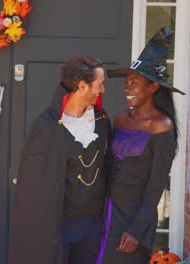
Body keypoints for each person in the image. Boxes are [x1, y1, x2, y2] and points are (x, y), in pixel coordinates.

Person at [8, 56, 112, 264]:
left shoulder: (101, 121)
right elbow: (35, 185)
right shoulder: (47, 126)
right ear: (83, 86)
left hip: (91, 226)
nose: (103, 90)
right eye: (100, 85)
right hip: (57, 226)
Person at [97, 27, 185, 264]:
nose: (127, 88)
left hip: (134, 219)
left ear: (153, 87)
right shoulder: (121, 118)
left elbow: (156, 187)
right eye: (126, 82)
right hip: (104, 211)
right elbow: (107, 165)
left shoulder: (162, 127)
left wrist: (136, 230)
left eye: (134, 83)